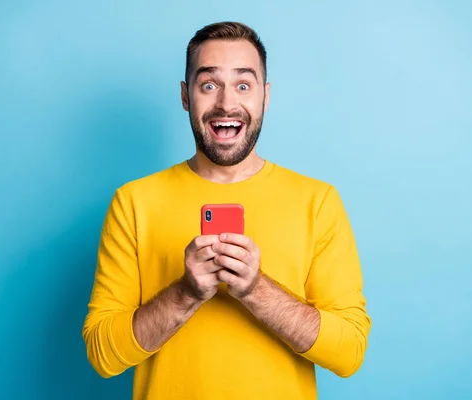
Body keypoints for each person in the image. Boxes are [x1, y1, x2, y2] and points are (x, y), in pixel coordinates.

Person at [82, 21, 371, 400]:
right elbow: (103, 355)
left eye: (243, 85)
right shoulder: (134, 203)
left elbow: (349, 352)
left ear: (265, 96)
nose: (226, 103)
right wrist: (187, 292)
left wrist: (254, 289)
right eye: (208, 85)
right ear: (186, 96)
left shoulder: (317, 202)